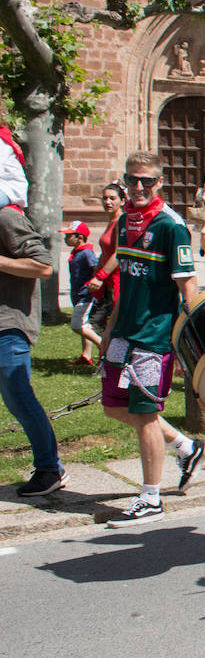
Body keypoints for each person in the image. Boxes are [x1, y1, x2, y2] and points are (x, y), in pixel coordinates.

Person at [99, 153, 205, 525]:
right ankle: (186, 446)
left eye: (147, 181)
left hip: (153, 337)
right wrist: (110, 329)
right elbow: (125, 283)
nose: (139, 187)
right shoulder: (124, 222)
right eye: (133, 180)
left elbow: (187, 286)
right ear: (124, 182)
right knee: (114, 406)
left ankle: (151, 500)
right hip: (124, 332)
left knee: (145, 415)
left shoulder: (170, 226)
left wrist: (188, 341)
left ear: (160, 182)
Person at [3, 195, 67, 498]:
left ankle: (49, 468)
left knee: (20, 400)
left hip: (9, 325)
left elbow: (43, 265)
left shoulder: (6, 217)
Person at [84, 183, 125, 336]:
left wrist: (100, 277)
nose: (107, 202)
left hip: (117, 279)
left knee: (115, 324)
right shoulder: (112, 221)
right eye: (105, 198)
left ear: (122, 201)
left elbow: (118, 253)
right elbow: (106, 251)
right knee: (98, 322)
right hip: (107, 280)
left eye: (112, 198)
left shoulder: (121, 221)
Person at [61, 220, 100, 365]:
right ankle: (86, 355)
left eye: (68, 236)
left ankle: (103, 346)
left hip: (85, 295)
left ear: (80, 237)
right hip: (77, 295)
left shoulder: (86, 253)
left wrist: (94, 282)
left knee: (77, 326)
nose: (65, 239)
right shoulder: (77, 252)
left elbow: (96, 267)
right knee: (85, 324)